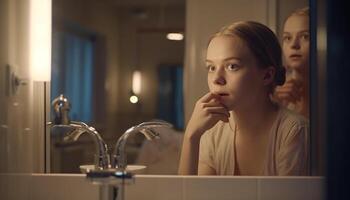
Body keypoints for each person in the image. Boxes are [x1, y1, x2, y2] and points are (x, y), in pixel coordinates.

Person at [178, 21, 309, 176]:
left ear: (267, 75)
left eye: (232, 66)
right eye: (211, 68)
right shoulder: (212, 131)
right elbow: (191, 195)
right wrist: (191, 136)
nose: (217, 79)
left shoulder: (294, 131)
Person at [274, 7, 310, 118]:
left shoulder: (336, 94)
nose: (294, 45)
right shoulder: (272, 95)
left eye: (305, 36)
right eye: (287, 38)